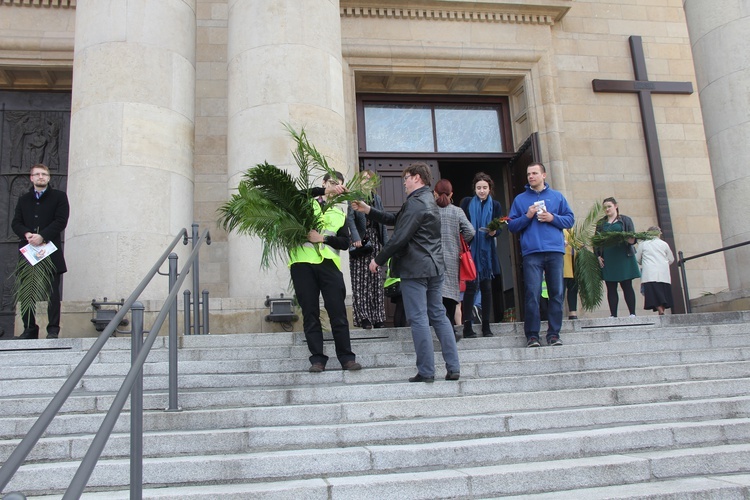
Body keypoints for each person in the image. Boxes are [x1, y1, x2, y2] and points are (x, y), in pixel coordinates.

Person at [352, 162, 460, 383]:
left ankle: (427, 371)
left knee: (419, 318)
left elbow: (399, 238)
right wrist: (368, 210)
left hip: (416, 269)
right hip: (435, 267)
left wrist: (377, 260)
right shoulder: (425, 200)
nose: (404, 182)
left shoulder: (416, 204)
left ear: (418, 178)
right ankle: (453, 367)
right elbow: (396, 219)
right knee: (438, 315)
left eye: (407, 177)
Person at [289, 171, 361, 373]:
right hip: (302, 263)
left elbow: (345, 243)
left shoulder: (339, 211)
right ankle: (317, 359)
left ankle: (347, 358)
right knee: (310, 312)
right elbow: (292, 195)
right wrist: (324, 190)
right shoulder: (305, 202)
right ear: (323, 183)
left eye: (339, 185)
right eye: (331, 183)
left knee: (337, 312)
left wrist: (323, 239)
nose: (334, 187)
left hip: (329, 265)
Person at [507, 162, 574, 347]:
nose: (531, 176)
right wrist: (527, 216)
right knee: (532, 294)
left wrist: (553, 218)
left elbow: (570, 219)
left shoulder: (557, 197)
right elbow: (511, 226)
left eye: (535, 173)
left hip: (554, 251)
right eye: (529, 174)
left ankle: (553, 334)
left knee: (556, 293)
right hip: (532, 253)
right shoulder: (520, 200)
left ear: (543, 175)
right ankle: (532, 336)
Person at [11, 163, 70, 339]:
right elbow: (16, 223)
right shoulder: (23, 200)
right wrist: (27, 233)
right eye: (37, 174)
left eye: (44, 174)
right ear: (31, 178)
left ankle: (52, 329)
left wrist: (42, 236)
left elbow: (61, 221)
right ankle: (29, 328)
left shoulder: (59, 197)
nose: (40, 177)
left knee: (52, 292)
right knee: (27, 290)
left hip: (50, 252)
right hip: (28, 252)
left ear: (49, 177)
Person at [459, 172, 503, 338]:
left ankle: (486, 325)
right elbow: (460, 226)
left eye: (485, 188)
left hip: (487, 252)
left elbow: (499, 228)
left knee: (486, 288)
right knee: (470, 288)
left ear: (489, 188)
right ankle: (467, 325)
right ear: (474, 188)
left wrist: (493, 232)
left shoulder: (496, 205)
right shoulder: (467, 203)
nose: (482, 191)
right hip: (470, 252)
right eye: (479, 188)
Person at [347, 170, 388, 329]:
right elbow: (350, 218)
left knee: (375, 281)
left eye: (369, 180)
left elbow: (383, 221)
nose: (366, 182)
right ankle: (363, 317)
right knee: (359, 281)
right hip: (360, 243)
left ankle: (378, 317)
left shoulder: (376, 199)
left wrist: (387, 245)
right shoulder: (354, 197)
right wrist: (356, 237)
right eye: (363, 180)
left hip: (375, 242)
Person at [434, 179, 475, 332]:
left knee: (435, 294)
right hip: (452, 259)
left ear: (434, 193)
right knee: (451, 295)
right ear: (451, 194)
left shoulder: (430, 210)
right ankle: (449, 327)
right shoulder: (457, 211)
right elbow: (470, 232)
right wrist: (459, 242)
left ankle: (439, 328)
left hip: (432, 258)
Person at [595, 197, 640, 317]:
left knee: (627, 285)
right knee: (611, 286)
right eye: (605, 207)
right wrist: (598, 256)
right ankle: (613, 314)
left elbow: (632, 238)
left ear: (616, 206)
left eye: (609, 206)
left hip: (623, 255)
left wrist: (629, 238)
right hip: (608, 257)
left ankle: (632, 313)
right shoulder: (601, 223)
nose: (607, 209)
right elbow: (596, 241)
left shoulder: (625, 220)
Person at [636, 226, 675, 315]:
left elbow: (637, 258)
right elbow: (671, 259)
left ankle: (660, 311)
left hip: (649, 273)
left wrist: (644, 262)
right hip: (663, 273)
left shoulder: (643, 244)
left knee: (653, 294)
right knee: (663, 294)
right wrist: (664, 263)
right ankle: (661, 311)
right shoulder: (664, 244)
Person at [563, 228, 579, 320]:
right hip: (563, 262)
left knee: (573, 288)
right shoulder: (556, 226)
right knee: (560, 289)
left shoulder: (572, 229)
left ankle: (573, 312)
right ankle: (556, 313)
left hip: (573, 262)